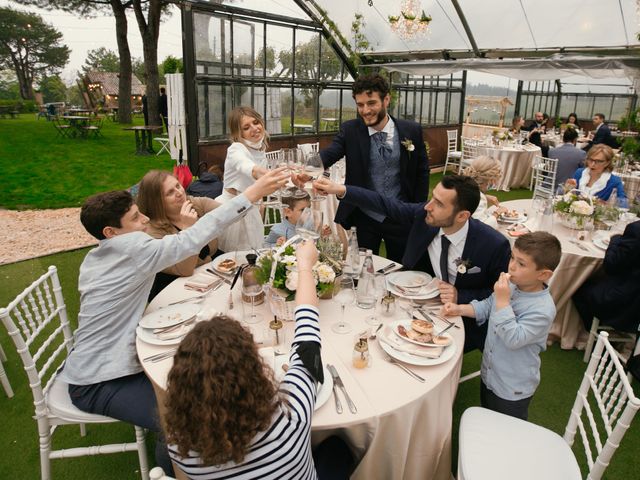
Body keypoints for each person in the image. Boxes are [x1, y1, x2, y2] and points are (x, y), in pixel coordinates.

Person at [59, 168, 288, 475]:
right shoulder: (135, 249)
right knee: (185, 422)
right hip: (99, 380)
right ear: (110, 233)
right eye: (136, 219)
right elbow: (193, 238)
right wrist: (252, 193)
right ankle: (172, 471)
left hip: (112, 359)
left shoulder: (98, 256)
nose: (145, 221)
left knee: (195, 387)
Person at [164, 240, 354, 479]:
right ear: (252, 370)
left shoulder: (180, 450)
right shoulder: (289, 418)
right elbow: (308, 339)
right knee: (338, 448)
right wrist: (305, 265)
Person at [314, 174, 511, 353]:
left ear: (462, 216)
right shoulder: (423, 216)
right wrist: (340, 189)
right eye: (432, 197)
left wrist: (461, 295)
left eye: (439, 204)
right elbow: (385, 204)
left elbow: (503, 294)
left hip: (463, 318)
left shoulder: (493, 245)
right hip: (418, 304)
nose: (428, 206)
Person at [310, 73, 429, 263]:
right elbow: (330, 153)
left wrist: (417, 210)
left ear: (386, 99)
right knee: (363, 268)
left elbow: (422, 172)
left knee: (402, 267)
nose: (365, 110)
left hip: (401, 214)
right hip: (365, 216)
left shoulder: (411, 130)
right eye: (360, 105)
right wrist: (307, 168)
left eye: (371, 103)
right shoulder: (350, 130)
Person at [442, 232, 561, 420]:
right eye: (512, 258)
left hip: (512, 387)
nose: (512, 266)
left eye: (521, 264)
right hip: (491, 372)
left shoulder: (543, 310)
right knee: (488, 413)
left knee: (507, 428)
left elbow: (513, 339)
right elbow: (488, 306)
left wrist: (504, 301)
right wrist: (459, 309)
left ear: (543, 274)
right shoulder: (513, 286)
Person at [137, 170, 221, 301]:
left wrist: (251, 201)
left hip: (206, 279)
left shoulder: (195, 204)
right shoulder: (152, 233)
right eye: (170, 193)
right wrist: (189, 230)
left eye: (178, 185)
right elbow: (185, 269)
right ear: (156, 202)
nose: (179, 192)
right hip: (174, 291)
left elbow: (229, 211)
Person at [216, 106, 271, 251]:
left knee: (253, 256)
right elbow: (248, 167)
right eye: (246, 127)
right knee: (231, 260)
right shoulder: (236, 149)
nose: (254, 128)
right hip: (232, 211)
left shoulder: (260, 150)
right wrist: (272, 176)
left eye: (256, 122)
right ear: (238, 134)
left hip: (251, 209)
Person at [573, 220, 640, 334]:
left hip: (627, 302)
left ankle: (600, 339)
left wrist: (615, 240)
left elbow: (611, 265)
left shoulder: (636, 229)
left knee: (576, 287)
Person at [461, 156, 505, 229]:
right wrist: (497, 213)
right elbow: (483, 227)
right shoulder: (478, 198)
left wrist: (486, 196)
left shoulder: (462, 184)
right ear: (491, 179)